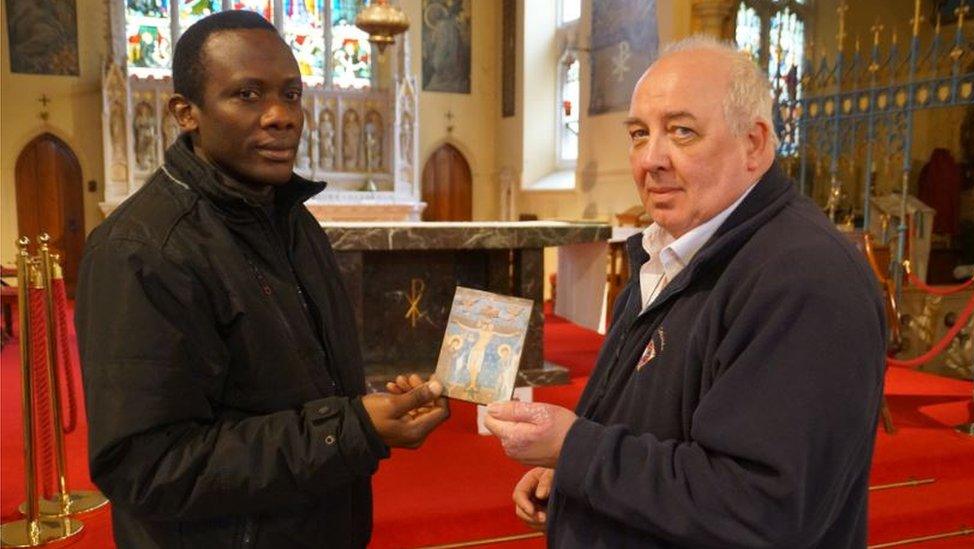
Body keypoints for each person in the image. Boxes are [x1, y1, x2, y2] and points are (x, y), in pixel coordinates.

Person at [485, 36, 886, 548]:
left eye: (682, 131)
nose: (650, 158)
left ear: (754, 143)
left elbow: (761, 507)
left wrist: (577, 450)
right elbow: (648, 421)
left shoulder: (805, 280)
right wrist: (574, 477)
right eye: (638, 133)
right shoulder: (672, 247)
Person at [75, 11, 448, 548]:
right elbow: (147, 467)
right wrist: (352, 428)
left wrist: (368, 408)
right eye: (247, 95)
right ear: (186, 113)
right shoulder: (141, 251)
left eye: (291, 94)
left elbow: (288, 382)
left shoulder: (293, 221)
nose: (281, 116)